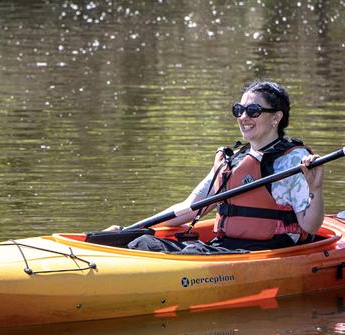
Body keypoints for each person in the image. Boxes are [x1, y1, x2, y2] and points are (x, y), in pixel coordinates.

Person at [106, 80, 324, 252]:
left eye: (253, 110)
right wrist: (130, 231)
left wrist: (315, 189)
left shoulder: (293, 160)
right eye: (239, 110)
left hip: (267, 250)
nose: (243, 117)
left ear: (276, 117)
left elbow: (310, 226)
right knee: (144, 242)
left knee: (179, 253)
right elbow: (189, 207)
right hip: (225, 248)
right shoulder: (234, 160)